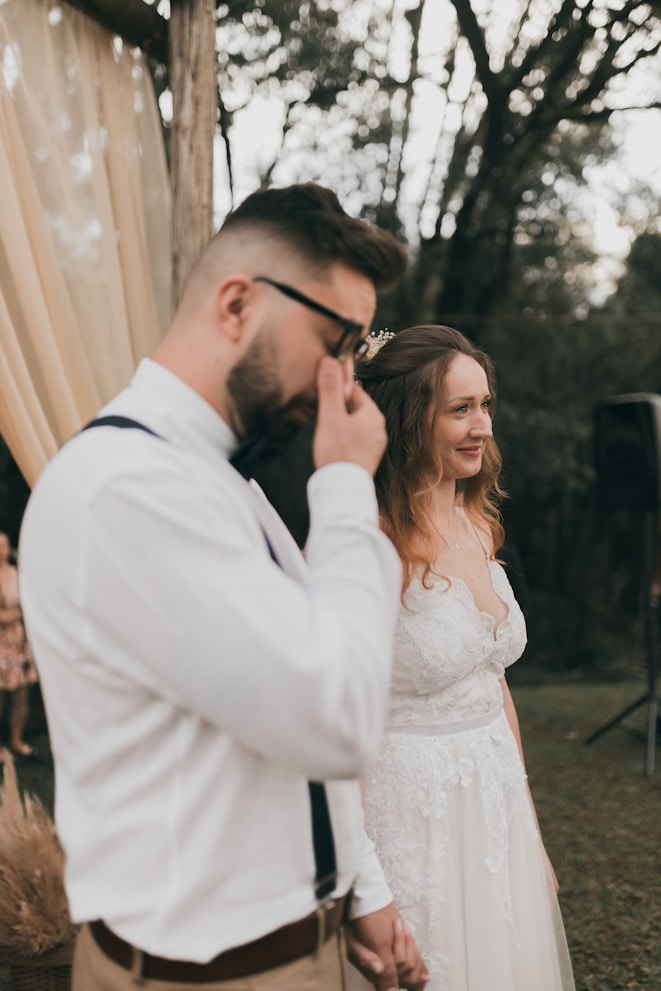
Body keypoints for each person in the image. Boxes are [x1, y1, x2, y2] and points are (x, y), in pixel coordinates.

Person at [18, 184, 428, 991]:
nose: (341, 379)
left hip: (296, 947)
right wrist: (346, 487)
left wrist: (355, 891)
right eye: (336, 340)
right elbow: (335, 718)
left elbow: (277, 728)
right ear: (237, 303)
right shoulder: (126, 491)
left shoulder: (213, 481)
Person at [351, 325, 576, 991]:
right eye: (458, 408)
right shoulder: (365, 544)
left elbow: (491, 684)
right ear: (406, 418)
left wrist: (528, 828)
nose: (480, 425)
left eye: (484, 404)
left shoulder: (476, 522)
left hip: (493, 802)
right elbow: (339, 724)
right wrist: (365, 886)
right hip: (408, 819)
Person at [0, 530, 37, 761]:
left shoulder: (18, 574)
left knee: (21, 696)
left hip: (19, 642)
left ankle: (16, 738)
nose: (1, 549)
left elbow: (31, 609)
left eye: (4, 544)